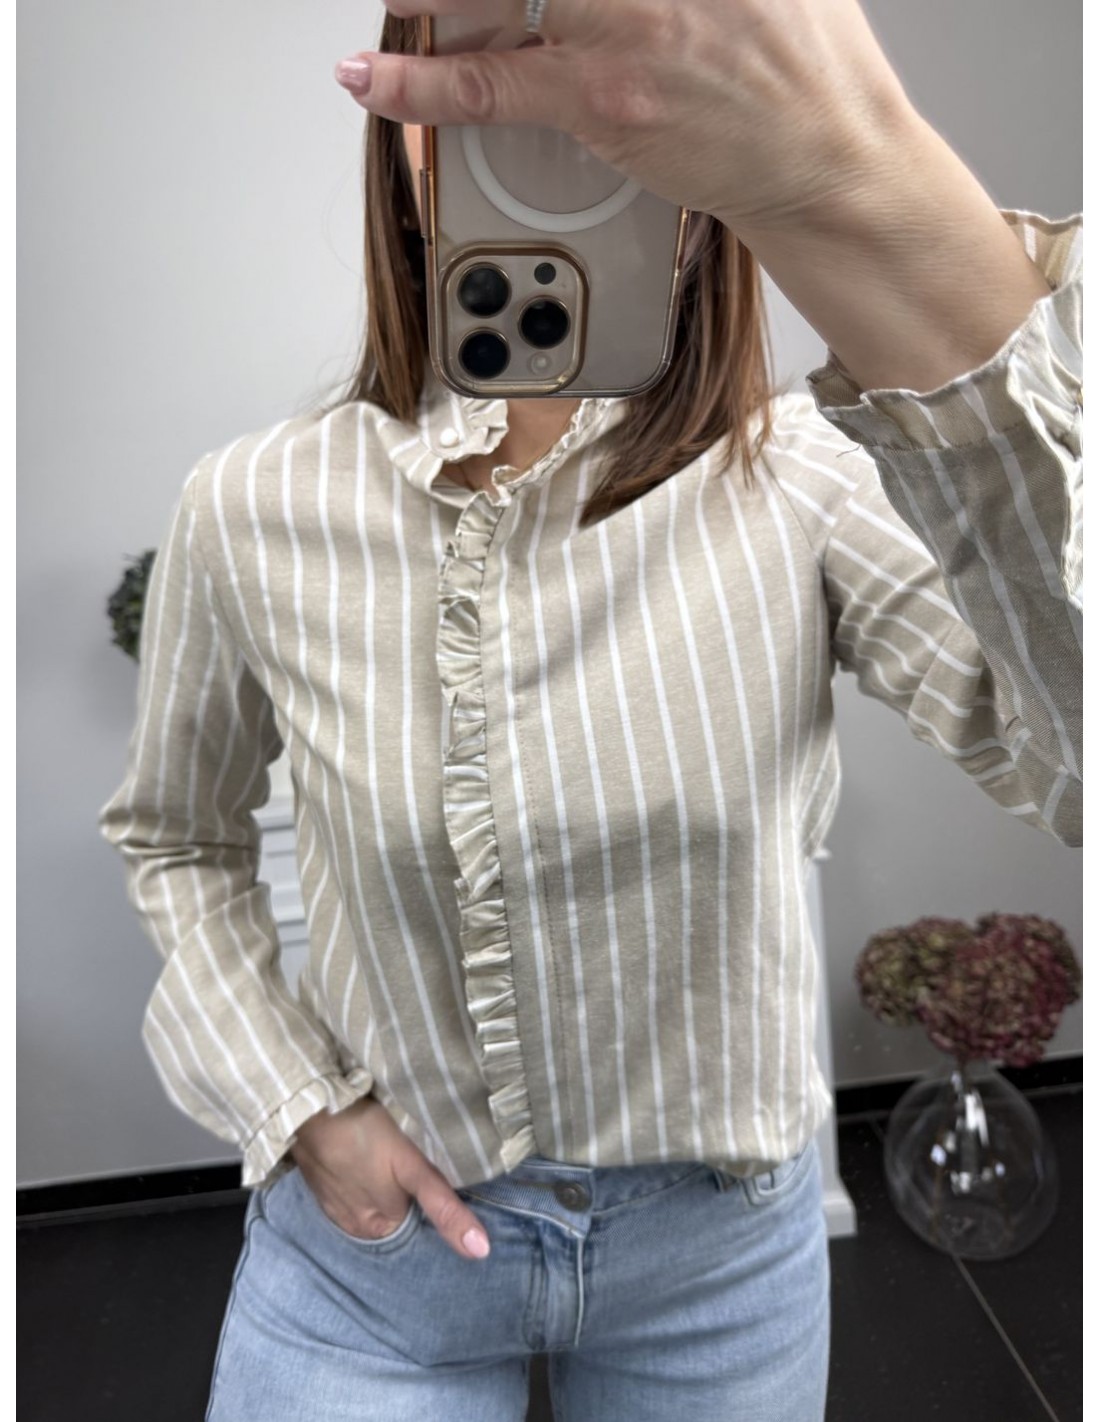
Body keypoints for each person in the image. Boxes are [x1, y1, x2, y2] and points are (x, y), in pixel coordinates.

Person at [98, 1, 1082, 1417]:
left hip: (720, 1265)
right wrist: (300, 1106)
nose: (559, 123)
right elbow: (175, 839)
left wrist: (873, 178)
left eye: (607, 75)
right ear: (412, 142)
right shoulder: (251, 507)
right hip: (380, 1266)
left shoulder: (805, 480)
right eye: (492, 77)